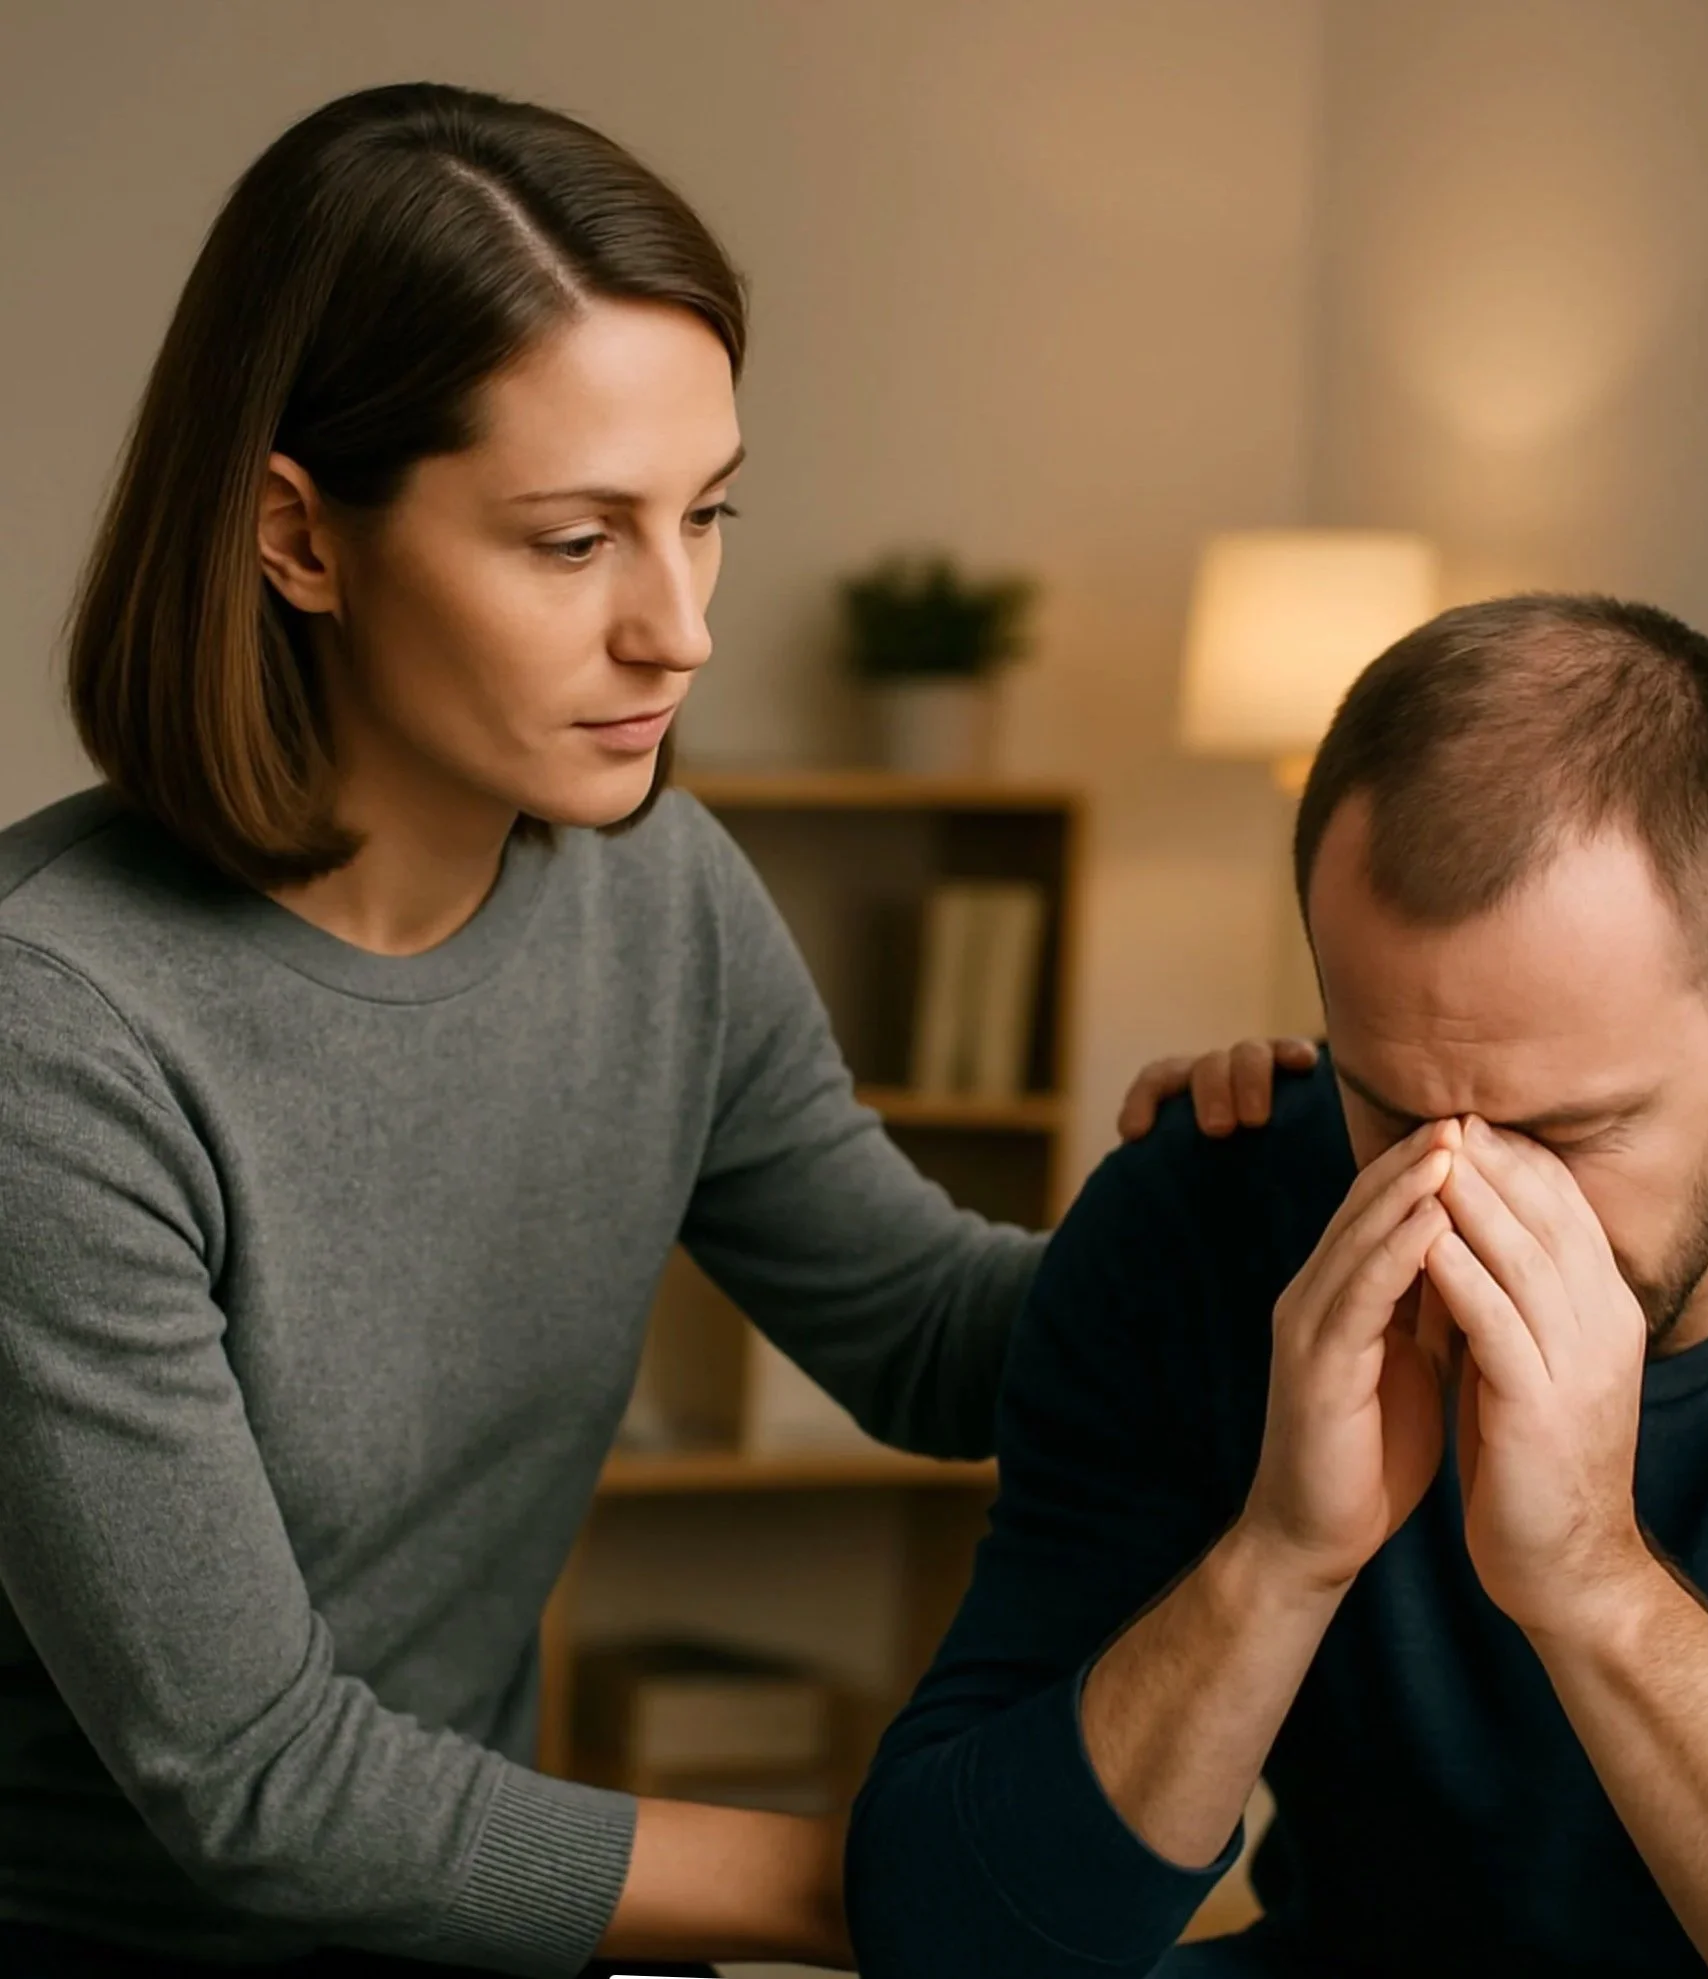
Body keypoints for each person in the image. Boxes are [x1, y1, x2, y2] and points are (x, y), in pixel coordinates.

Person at [0, 80, 1308, 1979]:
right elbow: (263, 1785)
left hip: (445, 1928)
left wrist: (1240, 1213)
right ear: (298, 535)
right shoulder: (61, 1033)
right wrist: (910, 1891)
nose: (680, 626)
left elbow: (929, 1341)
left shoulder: (655, 890)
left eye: (702, 516)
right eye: (570, 540)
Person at [846, 592, 1708, 1978]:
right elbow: (944, 1936)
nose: (1462, 1206)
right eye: (1392, 1108)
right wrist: (1280, 1554)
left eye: (1567, 1131)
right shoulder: (1208, 1205)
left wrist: (1593, 1581)